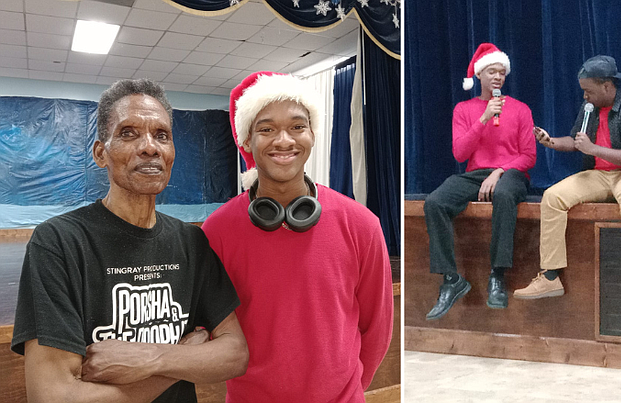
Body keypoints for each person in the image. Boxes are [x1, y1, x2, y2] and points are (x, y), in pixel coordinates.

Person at [11, 78, 248, 402]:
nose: (150, 146)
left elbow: (235, 353)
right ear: (100, 153)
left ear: (172, 153)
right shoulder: (58, 243)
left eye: (161, 135)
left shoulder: (191, 242)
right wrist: (182, 359)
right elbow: (54, 395)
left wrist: (153, 358)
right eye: (128, 133)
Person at [201, 71, 394, 402]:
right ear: (246, 140)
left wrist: (349, 390)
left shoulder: (362, 224)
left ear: (312, 134)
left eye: (297, 126)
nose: (284, 140)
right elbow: (212, 331)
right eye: (266, 129)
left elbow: (377, 328)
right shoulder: (216, 231)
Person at [514, 55, 621, 321]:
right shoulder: (590, 110)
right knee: (552, 197)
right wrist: (551, 142)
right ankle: (550, 276)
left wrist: (594, 149)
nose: (585, 96)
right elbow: (575, 142)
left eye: (589, 91)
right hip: (598, 175)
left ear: (607, 86)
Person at [424, 43, 536, 320]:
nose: (498, 77)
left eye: (502, 72)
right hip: (476, 173)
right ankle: (451, 279)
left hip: (511, 173)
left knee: (505, 193)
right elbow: (460, 153)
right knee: (434, 202)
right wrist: (484, 118)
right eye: (491, 72)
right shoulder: (464, 109)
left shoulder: (520, 109)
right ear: (479, 75)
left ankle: (497, 276)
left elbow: (529, 156)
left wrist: (499, 172)